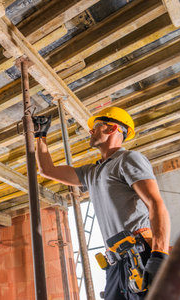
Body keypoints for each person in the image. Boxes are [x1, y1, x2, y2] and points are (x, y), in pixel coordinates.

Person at [33, 106, 171, 299]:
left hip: (142, 253)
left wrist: (159, 256)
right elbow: (47, 170)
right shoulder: (91, 172)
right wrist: (40, 135)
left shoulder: (128, 159)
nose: (90, 131)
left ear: (112, 129)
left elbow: (156, 204)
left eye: (96, 126)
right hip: (116, 262)